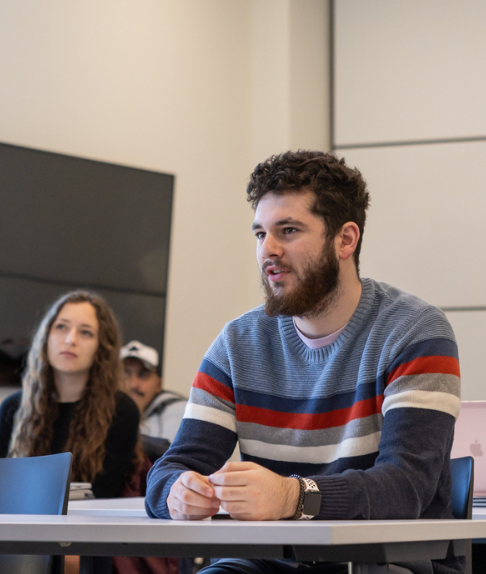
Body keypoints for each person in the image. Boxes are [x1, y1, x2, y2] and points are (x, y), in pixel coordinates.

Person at [145, 151, 463, 574]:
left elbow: (405, 488)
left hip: (386, 563)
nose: (267, 251)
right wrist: (176, 493)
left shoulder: (416, 332)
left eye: (288, 231)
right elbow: (171, 467)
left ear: (346, 240)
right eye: (260, 234)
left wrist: (292, 497)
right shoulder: (238, 342)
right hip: (273, 561)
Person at [0, 291, 141, 500]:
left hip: (85, 529)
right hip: (17, 526)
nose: (70, 340)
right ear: (46, 336)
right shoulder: (12, 408)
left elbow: (104, 494)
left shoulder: (121, 410)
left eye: (85, 332)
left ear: (102, 347)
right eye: (61, 327)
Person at [121, 340, 186, 441]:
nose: (133, 384)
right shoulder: (100, 413)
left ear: (158, 384)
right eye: (125, 374)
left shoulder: (181, 415)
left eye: (143, 375)